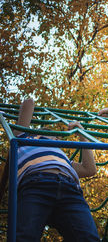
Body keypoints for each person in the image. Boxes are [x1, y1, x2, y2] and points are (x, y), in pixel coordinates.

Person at [13, 98, 100, 241]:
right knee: (25, 235)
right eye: (50, 135)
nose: (55, 139)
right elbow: (28, 103)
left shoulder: (62, 158)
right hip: (36, 185)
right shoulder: (23, 140)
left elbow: (89, 169)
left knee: (88, 237)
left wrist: (82, 135)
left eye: (55, 138)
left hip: (70, 190)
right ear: (35, 135)